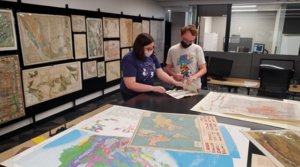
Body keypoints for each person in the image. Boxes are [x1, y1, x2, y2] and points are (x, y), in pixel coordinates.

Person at [120, 33, 183, 101]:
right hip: (132, 94)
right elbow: (131, 84)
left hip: (147, 91)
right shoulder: (129, 59)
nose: (151, 50)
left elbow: (160, 73)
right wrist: (153, 88)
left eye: (153, 47)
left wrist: (174, 82)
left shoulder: (152, 56)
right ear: (139, 48)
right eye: (148, 49)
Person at [166, 25, 207, 89]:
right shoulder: (172, 50)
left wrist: (194, 76)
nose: (188, 43)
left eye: (191, 41)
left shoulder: (197, 49)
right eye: (185, 40)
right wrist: (175, 75)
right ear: (180, 35)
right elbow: (168, 68)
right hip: (178, 85)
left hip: (194, 86)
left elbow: (203, 69)